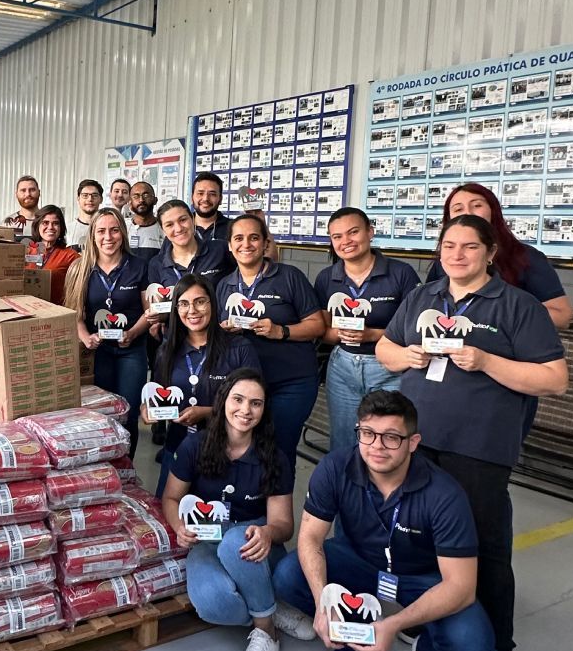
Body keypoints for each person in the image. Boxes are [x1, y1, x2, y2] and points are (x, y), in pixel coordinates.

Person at [377, 213, 568, 651]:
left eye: (468, 246)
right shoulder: (424, 297)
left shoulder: (516, 306)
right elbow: (385, 348)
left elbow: (554, 379)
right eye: (448, 245)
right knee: (416, 534)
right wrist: (407, 357)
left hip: (479, 448)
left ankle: (498, 649)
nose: (456, 255)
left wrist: (486, 361)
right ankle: (427, 614)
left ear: (489, 253)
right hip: (419, 442)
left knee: (483, 546)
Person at [272, 390, 495, 651]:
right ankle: (354, 633)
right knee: (288, 575)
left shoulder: (444, 495)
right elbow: (309, 538)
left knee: (474, 645)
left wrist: (393, 625)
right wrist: (323, 603)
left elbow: (460, 587)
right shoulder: (336, 467)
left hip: (421, 578)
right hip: (359, 565)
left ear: (413, 442)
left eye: (391, 437)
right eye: (368, 434)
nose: (376, 446)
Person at [160, 369, 307, 651]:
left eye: (256, 403)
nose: (245, 410)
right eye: (238, 399)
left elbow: (284, 525)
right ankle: (267, 605)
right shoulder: (195, 446)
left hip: (254, 541)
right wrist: (179, 527)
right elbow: (171, 499)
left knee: (234, 542)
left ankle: (266, 633)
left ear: (264, 409)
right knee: (212, 603)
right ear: (223, 400)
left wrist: (268, 532)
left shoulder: (274, 457)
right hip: (206, 538)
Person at [216, 213, 323, 469]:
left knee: (280, 453)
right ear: (230, 246)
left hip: (291, 383)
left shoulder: (289, 276)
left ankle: (277, 507)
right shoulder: (224, 285)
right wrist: (223, 331)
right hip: (246, 388)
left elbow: (317, 325)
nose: (246, 244)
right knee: (243, 451)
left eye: (254, 238)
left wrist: (280, 331)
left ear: (265, 243)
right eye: (239, 238)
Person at [315, 207, 420, 454]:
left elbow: (412, 332)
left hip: (389, 368)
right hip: (342, 366)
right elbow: (322, 330)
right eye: (337, 236)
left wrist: (371, 335)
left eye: (353, 232)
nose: (346, 241)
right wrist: (340, 334)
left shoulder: (400, 273)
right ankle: (346, 490)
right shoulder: (327, 278)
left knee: (389, 440)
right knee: (343, 440)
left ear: (370, 232)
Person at [144, 274, 255, 493]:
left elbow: (255, 405)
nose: (192, 310)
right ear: (175, 309)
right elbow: (156, 394)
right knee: (168, 517)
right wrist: (146, 409)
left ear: (213, 304)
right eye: (183, 304)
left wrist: (206, 412)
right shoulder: (167, 351)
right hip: (177, 448)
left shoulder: (239, 348)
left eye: (200, 301)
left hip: (225, 452)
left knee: (212, 522)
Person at [426, 183, 573, 329]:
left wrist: (503, 313)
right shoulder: (447, 260)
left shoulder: (526, 257)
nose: (468, 213)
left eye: (477, 206)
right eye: (458, 209)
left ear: (493, 211)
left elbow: (562, 317)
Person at [66, 208, 151, 451]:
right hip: (99, 352)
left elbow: (150, 311)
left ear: (122, 234)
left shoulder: (139, 267)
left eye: (114, 230)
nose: (108, 237)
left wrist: (133, 333)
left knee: (128, 411)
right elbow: (76, 314)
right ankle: (106, 468)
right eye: (101, 231)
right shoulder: (80, 268)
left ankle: (128, 471)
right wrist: (85, 337)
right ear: (92, 235)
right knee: (102, 414)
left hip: (131, 351)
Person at [148, 198, 228, 295]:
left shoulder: (220, 249)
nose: (178, 228)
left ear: (193, 220)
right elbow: (157, 302)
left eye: (182, 220)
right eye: (169, 225)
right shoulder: (156, 264)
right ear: (163, 230)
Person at [26, 204, 80, 303]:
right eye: (45, 223)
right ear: (37, 225)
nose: (50, 227)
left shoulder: (70, 256)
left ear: (61, 227)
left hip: (55, 311)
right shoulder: (26, 252)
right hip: (26, 309)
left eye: (55, 223)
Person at [191, 171, 230, 244]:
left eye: (212, 194)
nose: (205, 199)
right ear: (191, 198)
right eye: (200, 193)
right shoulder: (181, 228)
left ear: (220, 199)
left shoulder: (233, 227)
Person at [126, 181, 162, 249]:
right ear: (130, 203)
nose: (141, 200)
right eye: (136, 196)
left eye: (146, 195)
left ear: (155, 200)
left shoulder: (164, 228)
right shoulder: (123, 228)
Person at [3, 175, 41, 239]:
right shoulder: (7, 224)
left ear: (39, 192)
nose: (28, 194)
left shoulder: (49, 222)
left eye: (32, 190)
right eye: (23, 190)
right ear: (16, 194)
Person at [68, 179, 104, 248]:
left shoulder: (107, 229)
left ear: (101, 199)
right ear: (78, 199)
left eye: (95, 195)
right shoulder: (67, 230)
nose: (90, 199)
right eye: (85, 195)